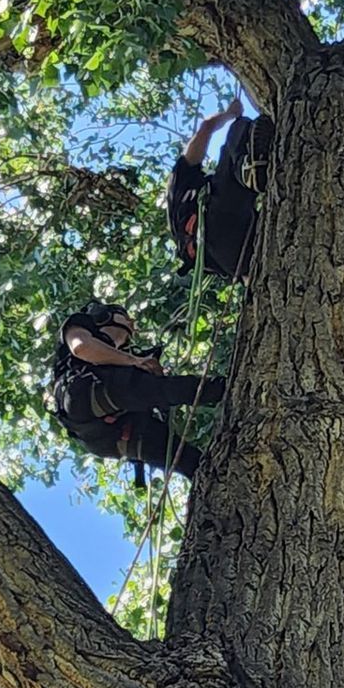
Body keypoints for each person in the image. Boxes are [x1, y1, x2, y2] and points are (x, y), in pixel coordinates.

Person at [48, 301, 224, 481]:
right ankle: (222, 388)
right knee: (162, 389)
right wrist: (134, 361)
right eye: (124, 317)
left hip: (109, 435)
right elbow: (81, 347)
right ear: (103, 316)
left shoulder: (120, 359)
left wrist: (147, 369)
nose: (131, 323)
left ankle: (215, 479)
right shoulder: (81, 324)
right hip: (81, 394)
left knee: (190, 462)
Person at [166, 96, 273, 280]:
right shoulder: (180, 181)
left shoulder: (178, 215)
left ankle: (252, 170)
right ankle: (246, 166)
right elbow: (206, 127)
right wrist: (232, 114)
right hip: (218, 218)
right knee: (238, 129)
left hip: (231, 260)